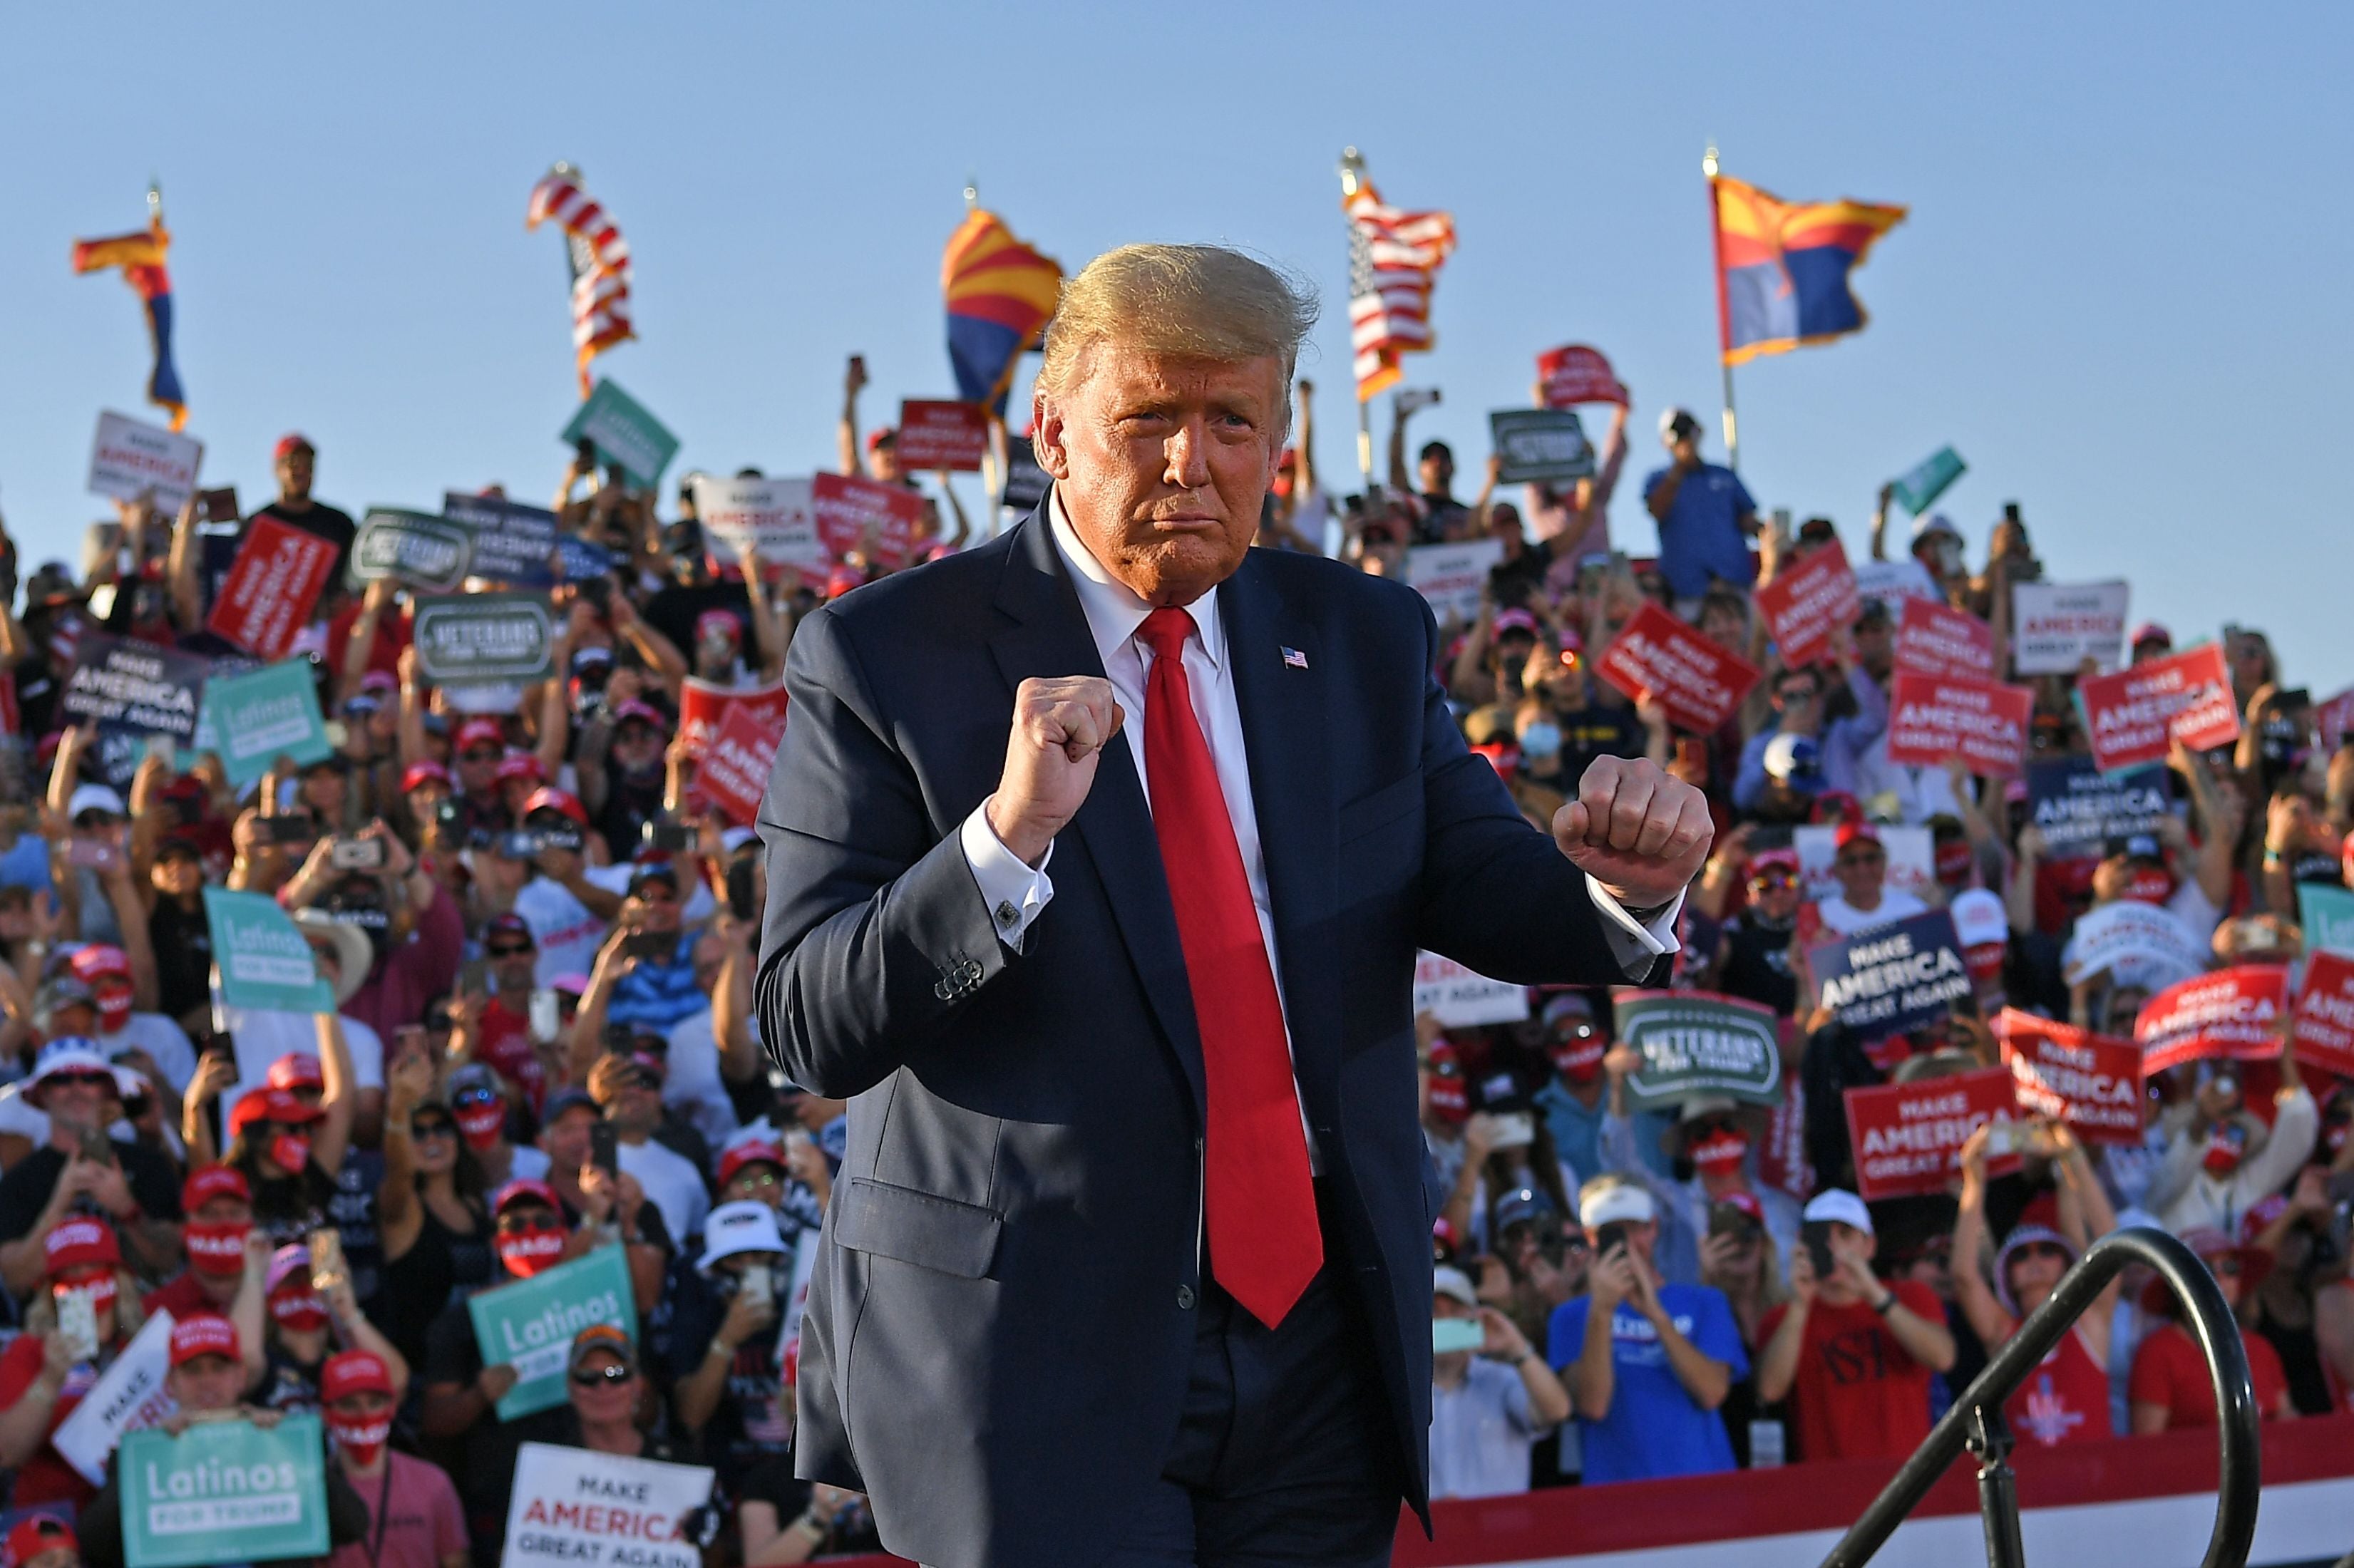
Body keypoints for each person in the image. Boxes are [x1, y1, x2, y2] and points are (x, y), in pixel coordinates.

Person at [757, 243, 1712, 1568]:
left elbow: (1484, 879)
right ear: (1052, 434)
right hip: (1031, 1352)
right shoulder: (880, 654)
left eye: (1232, 422)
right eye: (1146, 420)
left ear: (1279, 440)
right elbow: (805, 1020)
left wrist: (1625, 883)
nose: (1189, 462)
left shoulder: (1365, 637)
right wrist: (1007, 834)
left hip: (1320, 1336)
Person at [76, 1312, 372, 1568]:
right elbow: (97, 1546)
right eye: (193, 1371)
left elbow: (352, 1524)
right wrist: (149, 1455)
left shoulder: (280, 1440)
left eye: (219, 1368)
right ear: (170, 1384)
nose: (207, 1381)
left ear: (240, 1377)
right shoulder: (140, 1454)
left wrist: (292, 1450)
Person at [1548, 1180, 1744, 1484]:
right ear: (1590, 1238)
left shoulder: (1705, 1301)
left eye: (1635, 1228)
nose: (1627, 1242)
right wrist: (1601, 1310)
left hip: (1706, 1488)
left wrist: (1656, 1314)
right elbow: (1593, 1406)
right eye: (1612, 1233)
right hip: (1616, 1495)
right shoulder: (1570, 1316)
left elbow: (1712, 1393)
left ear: (1653, 1229)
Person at [1757, 1190, 1957, 1462]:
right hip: (1831, 1485)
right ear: (1802, 1244)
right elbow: (1769, 1390)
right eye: (1822, 1236)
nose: (1834, 1247)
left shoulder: (1910, 1296)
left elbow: (1942, 1358)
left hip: (1908, 1477)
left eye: (1846, 1235)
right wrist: (1800, 1304)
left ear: (1869, 1246)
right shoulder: (1784, 1317)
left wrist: (1874, 1294)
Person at [1950, 1125, 2119, 1448]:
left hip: (2098, 1491)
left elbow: (2111, 1244)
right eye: (2021, 1256)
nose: (2035, 1261)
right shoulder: (2003, 1333)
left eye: (2047, 1250)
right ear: (2007, 1274)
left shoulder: (2089, 1323)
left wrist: (2074, 1158)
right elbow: (1964, 1276)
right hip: (2027, 1494)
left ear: (2064, 1264)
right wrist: (1974, 1180)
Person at [0, 1037, 184, 1294]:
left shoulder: (148, 1163)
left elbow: (169, 1261)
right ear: (42, 1093)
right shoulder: (18, 1180)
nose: (77, 1088)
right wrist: (60, 1202)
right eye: (62, 1079)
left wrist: (127, 1208)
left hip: (139, 1319)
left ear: (106, 1090)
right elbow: (15, 1280)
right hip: (55, 1326)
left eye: (89, 1078)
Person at [2128, 1227, 2299, 1429]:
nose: (2220, 1279)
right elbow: (2149, 1447)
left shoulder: (2261, 1348)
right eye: (2206, 1270)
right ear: (2178, 1284)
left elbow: (2285, 1414)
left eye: (2230, 1267)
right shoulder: (2158, 1352)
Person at [1428, 1264, 1568, 1500]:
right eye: (1433, 1311)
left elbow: (1557, 1411)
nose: (1444, 1320)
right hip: (1424, 1534)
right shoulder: (1400, 1395)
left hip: (1499, 1531)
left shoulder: (1502, 1379)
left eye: (1455, 1311)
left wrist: (1516, 1347)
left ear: (1473, 1316)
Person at [321, 1348, 470, 1568]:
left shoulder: (433, 1483)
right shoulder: (309, 1492)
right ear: (327, 1413)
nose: (364, 1414)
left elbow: (457, 1563)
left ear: (391, 1407)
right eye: (349, 1404)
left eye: (375, 1402)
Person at [1642, 408, 1758, 608]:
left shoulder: (1723, 475)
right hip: (1686, 591)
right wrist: (1679, 467)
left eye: (1688, 430)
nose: (1685, 438)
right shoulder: (1658, 479)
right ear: (1665, 443)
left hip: (1733, 585)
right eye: (1678, 434)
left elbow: (1748, 520)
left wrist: (1772, 534)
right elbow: (1657, 510)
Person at [1813, 822, 1929, 937]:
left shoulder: (1913, 911)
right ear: (1837, 868)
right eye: (1851, 861)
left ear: (1884, 862)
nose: (1862, 870)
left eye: (1870, 859)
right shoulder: (1820, 917)